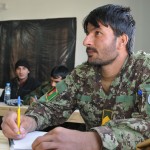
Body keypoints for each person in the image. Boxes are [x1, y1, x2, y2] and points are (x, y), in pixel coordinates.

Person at [1, 4, 150, 150]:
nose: (86, 42)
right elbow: (49, 106)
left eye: (97, 33)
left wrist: (93, 140)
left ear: (122, 40)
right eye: (88, 34)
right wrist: (27, 121)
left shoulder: (145, 69)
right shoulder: (81, 75)